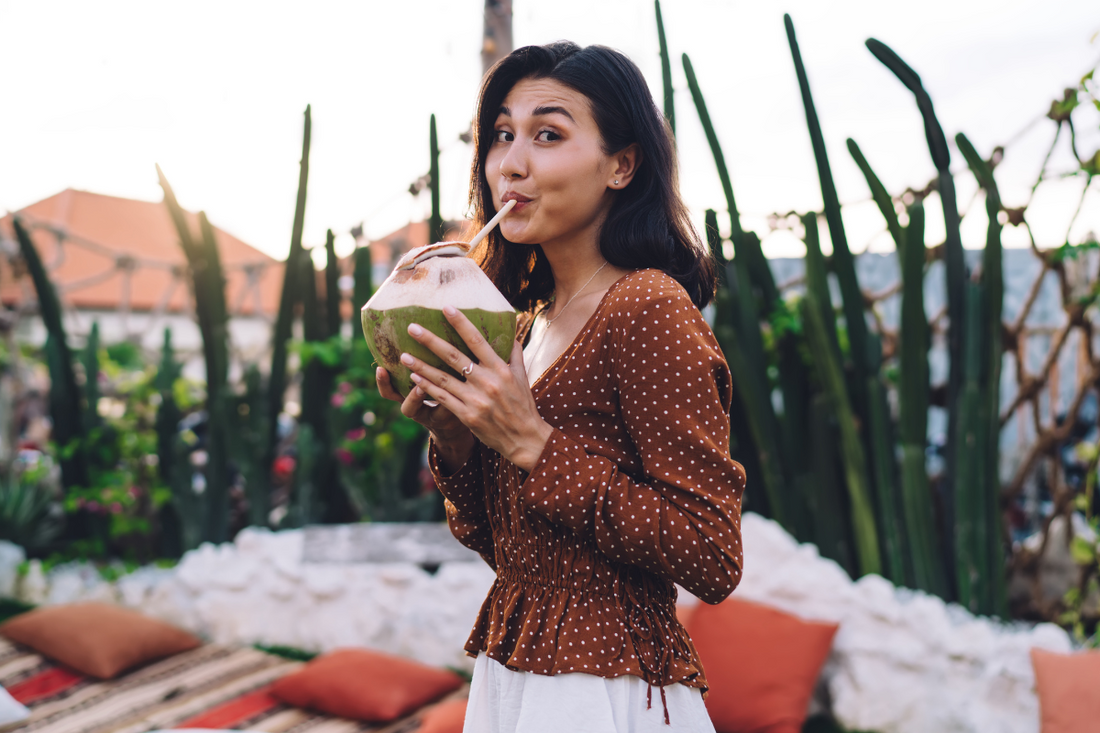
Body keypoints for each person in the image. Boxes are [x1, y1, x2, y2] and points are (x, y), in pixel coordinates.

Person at [377, 41, 746, 733]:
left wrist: (532, 443)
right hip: (512, 671)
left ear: (621, 164)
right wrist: (455, 439)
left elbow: (712, 552)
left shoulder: (646, 308)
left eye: (548, 134)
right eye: (502, 136)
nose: (510, 163)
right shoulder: (525, 323)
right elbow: (512, 550)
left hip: (604, 689)